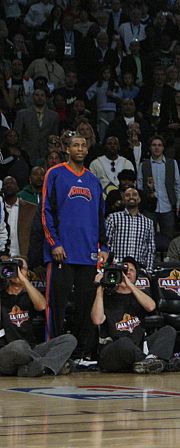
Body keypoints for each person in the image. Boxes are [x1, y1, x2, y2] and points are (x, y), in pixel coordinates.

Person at [41, 133, 109, 358]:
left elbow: (100, 217)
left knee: (85, 306)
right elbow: (46, 212)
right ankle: (53, 351)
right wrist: (54, 243)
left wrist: (104, 247)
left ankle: (82, 354)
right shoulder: (55, 174)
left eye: (83, 145)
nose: (80, 149)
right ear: (67, 149)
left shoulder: (93, 180)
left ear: (87, 150)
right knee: (56, 305)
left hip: (88, 253)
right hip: (62, 253)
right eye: (75, 145)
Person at [91, 257, 178, 374]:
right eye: (123, 270)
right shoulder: (105, 297)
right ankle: (156, 362)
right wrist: (100, 287)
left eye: (131, 270)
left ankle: (147, 362)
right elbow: (97, 320)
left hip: (138, 348)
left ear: (136, 276)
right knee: (124, 342)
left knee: (168, 330)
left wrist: (128, 284)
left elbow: (151, 306)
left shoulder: (139, 296)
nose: (127, 272)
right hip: (113, 350)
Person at [0, 256, 77, 377]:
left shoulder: (30, 294)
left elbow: (41, 306)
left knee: (69, 339)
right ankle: (49, 364)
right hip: (7, 352)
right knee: (19, 346)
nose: (17, 271)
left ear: (28, 273)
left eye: (21, 268)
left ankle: (34, 368)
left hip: (31, 349)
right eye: (14, 267)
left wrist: (24, 281)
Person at [105, 187, 156, 272]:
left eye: (134, 195)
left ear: (139, 199)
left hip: (139, 269)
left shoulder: (148, 222)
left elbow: (150, 249)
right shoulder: (113, 218)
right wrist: (107, 266)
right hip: (116, 267)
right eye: (127, 195)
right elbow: (107, 243)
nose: (131, 197)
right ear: (123, 199)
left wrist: (149, 270)